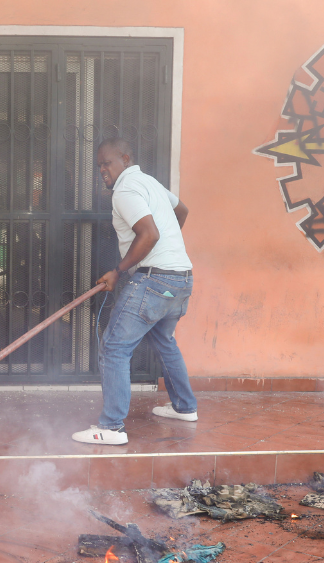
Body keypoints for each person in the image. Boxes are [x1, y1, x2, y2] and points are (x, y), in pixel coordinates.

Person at [72, 138, 198, 445]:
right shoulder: (149, 182)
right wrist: (168, 244)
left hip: (154, 282)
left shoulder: (126, 189)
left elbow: (149, 233)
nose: (102, 170)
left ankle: (111, 427)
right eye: (99, 165)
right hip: (181, 279)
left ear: (126, 159)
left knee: (114, 348)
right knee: (164, 341)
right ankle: (185, 407)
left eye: (107, 163)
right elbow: (181, 210)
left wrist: (117, 271)